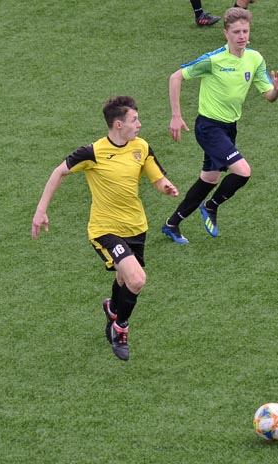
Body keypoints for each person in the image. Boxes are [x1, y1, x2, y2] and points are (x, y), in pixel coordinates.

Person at [32, 96, 180, 361]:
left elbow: (157, 177)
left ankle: (113, 307)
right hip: (105, 230)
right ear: (118, 124)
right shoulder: (93, 152)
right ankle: (120, 327)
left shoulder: (141, 148)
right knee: (137, 279)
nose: (140, 124)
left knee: (124, 280)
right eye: (135, 120)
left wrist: (165, 187)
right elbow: (59, 172)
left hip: (136, 227)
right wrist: (41, 210)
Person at [162, 7, 278, 244]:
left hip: (229, 128)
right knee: (243, 171)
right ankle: (211, 206)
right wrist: (176, 116)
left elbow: (267, 95)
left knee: (209, 179)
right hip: (209, 128)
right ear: (225, 33)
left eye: (245, 31)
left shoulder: (254, 58)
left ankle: (172, 224)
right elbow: (175, 77)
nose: (242, 36)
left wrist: (276, 91)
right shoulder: (214, 60)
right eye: (237, 32)